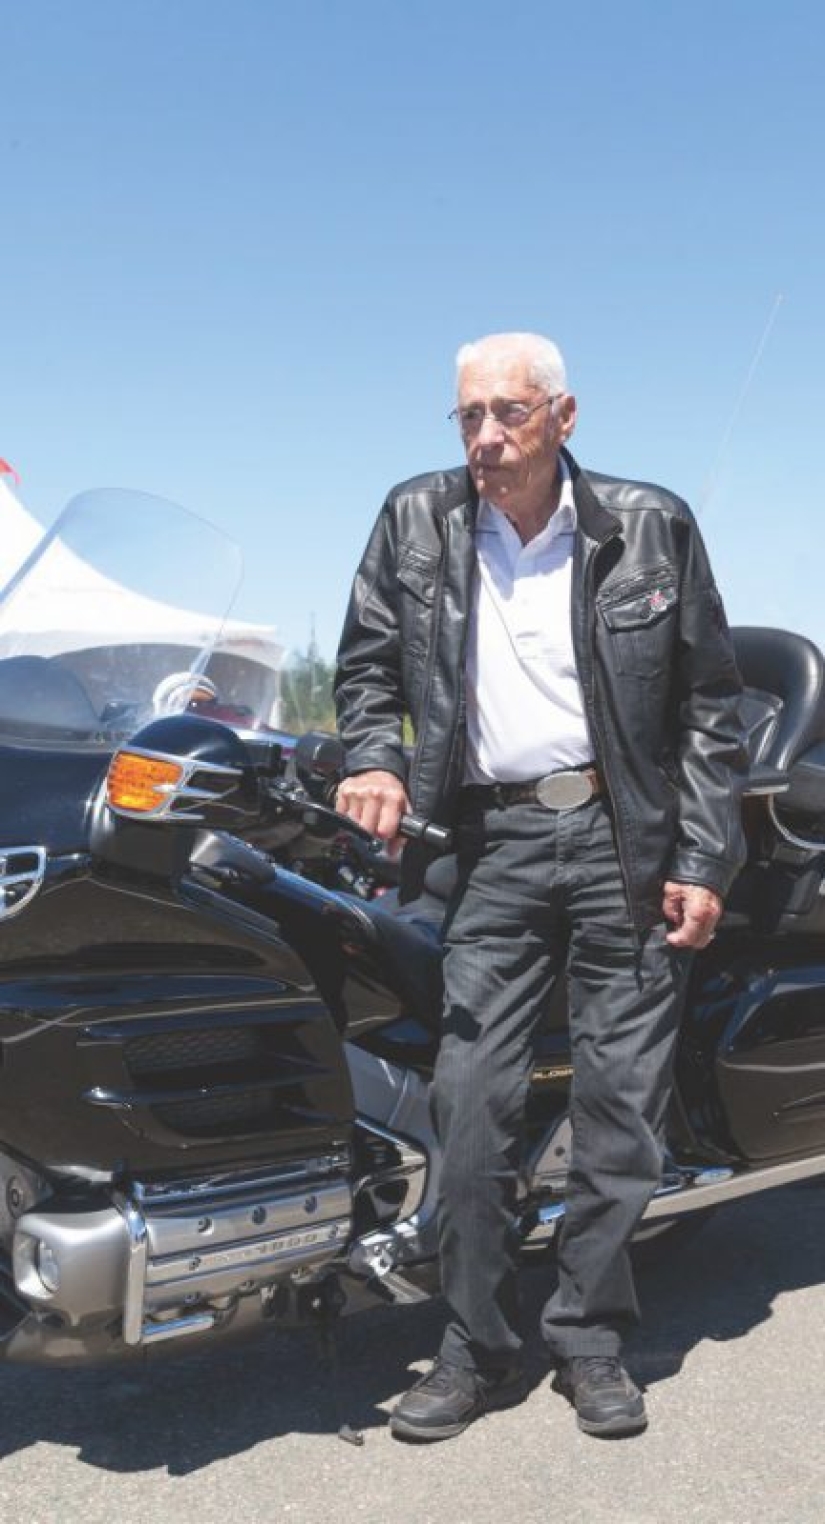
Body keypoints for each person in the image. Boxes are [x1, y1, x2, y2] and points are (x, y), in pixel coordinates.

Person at [334, 332, 747, 1440]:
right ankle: (472, 1345)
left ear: (564, 416)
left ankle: (591, 1339)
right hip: (489, 845)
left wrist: (705, 859)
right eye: (467, 416)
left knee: (621, 1113)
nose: (484, 438)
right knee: (470, 1102)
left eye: (508, 413)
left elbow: (712, 707)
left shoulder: (648, 524)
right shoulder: (416, 519)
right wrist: (370, 752)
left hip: (628, 845)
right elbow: (368, 667)